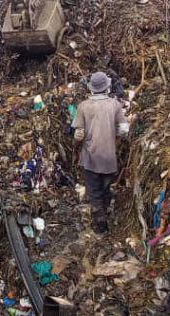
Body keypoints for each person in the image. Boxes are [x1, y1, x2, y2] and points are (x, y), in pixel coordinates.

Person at [71, 72, 129, 234]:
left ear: (92, 88)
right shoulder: (115, 105)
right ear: (107, 87)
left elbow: (79, 134)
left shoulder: (83, 106)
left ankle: (99, 223)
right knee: (105, 187)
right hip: (109, 157)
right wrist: (114, 137)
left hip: (90, 157)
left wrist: (75, 147)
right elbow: (124, 130)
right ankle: (105, 213)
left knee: (94, 190)